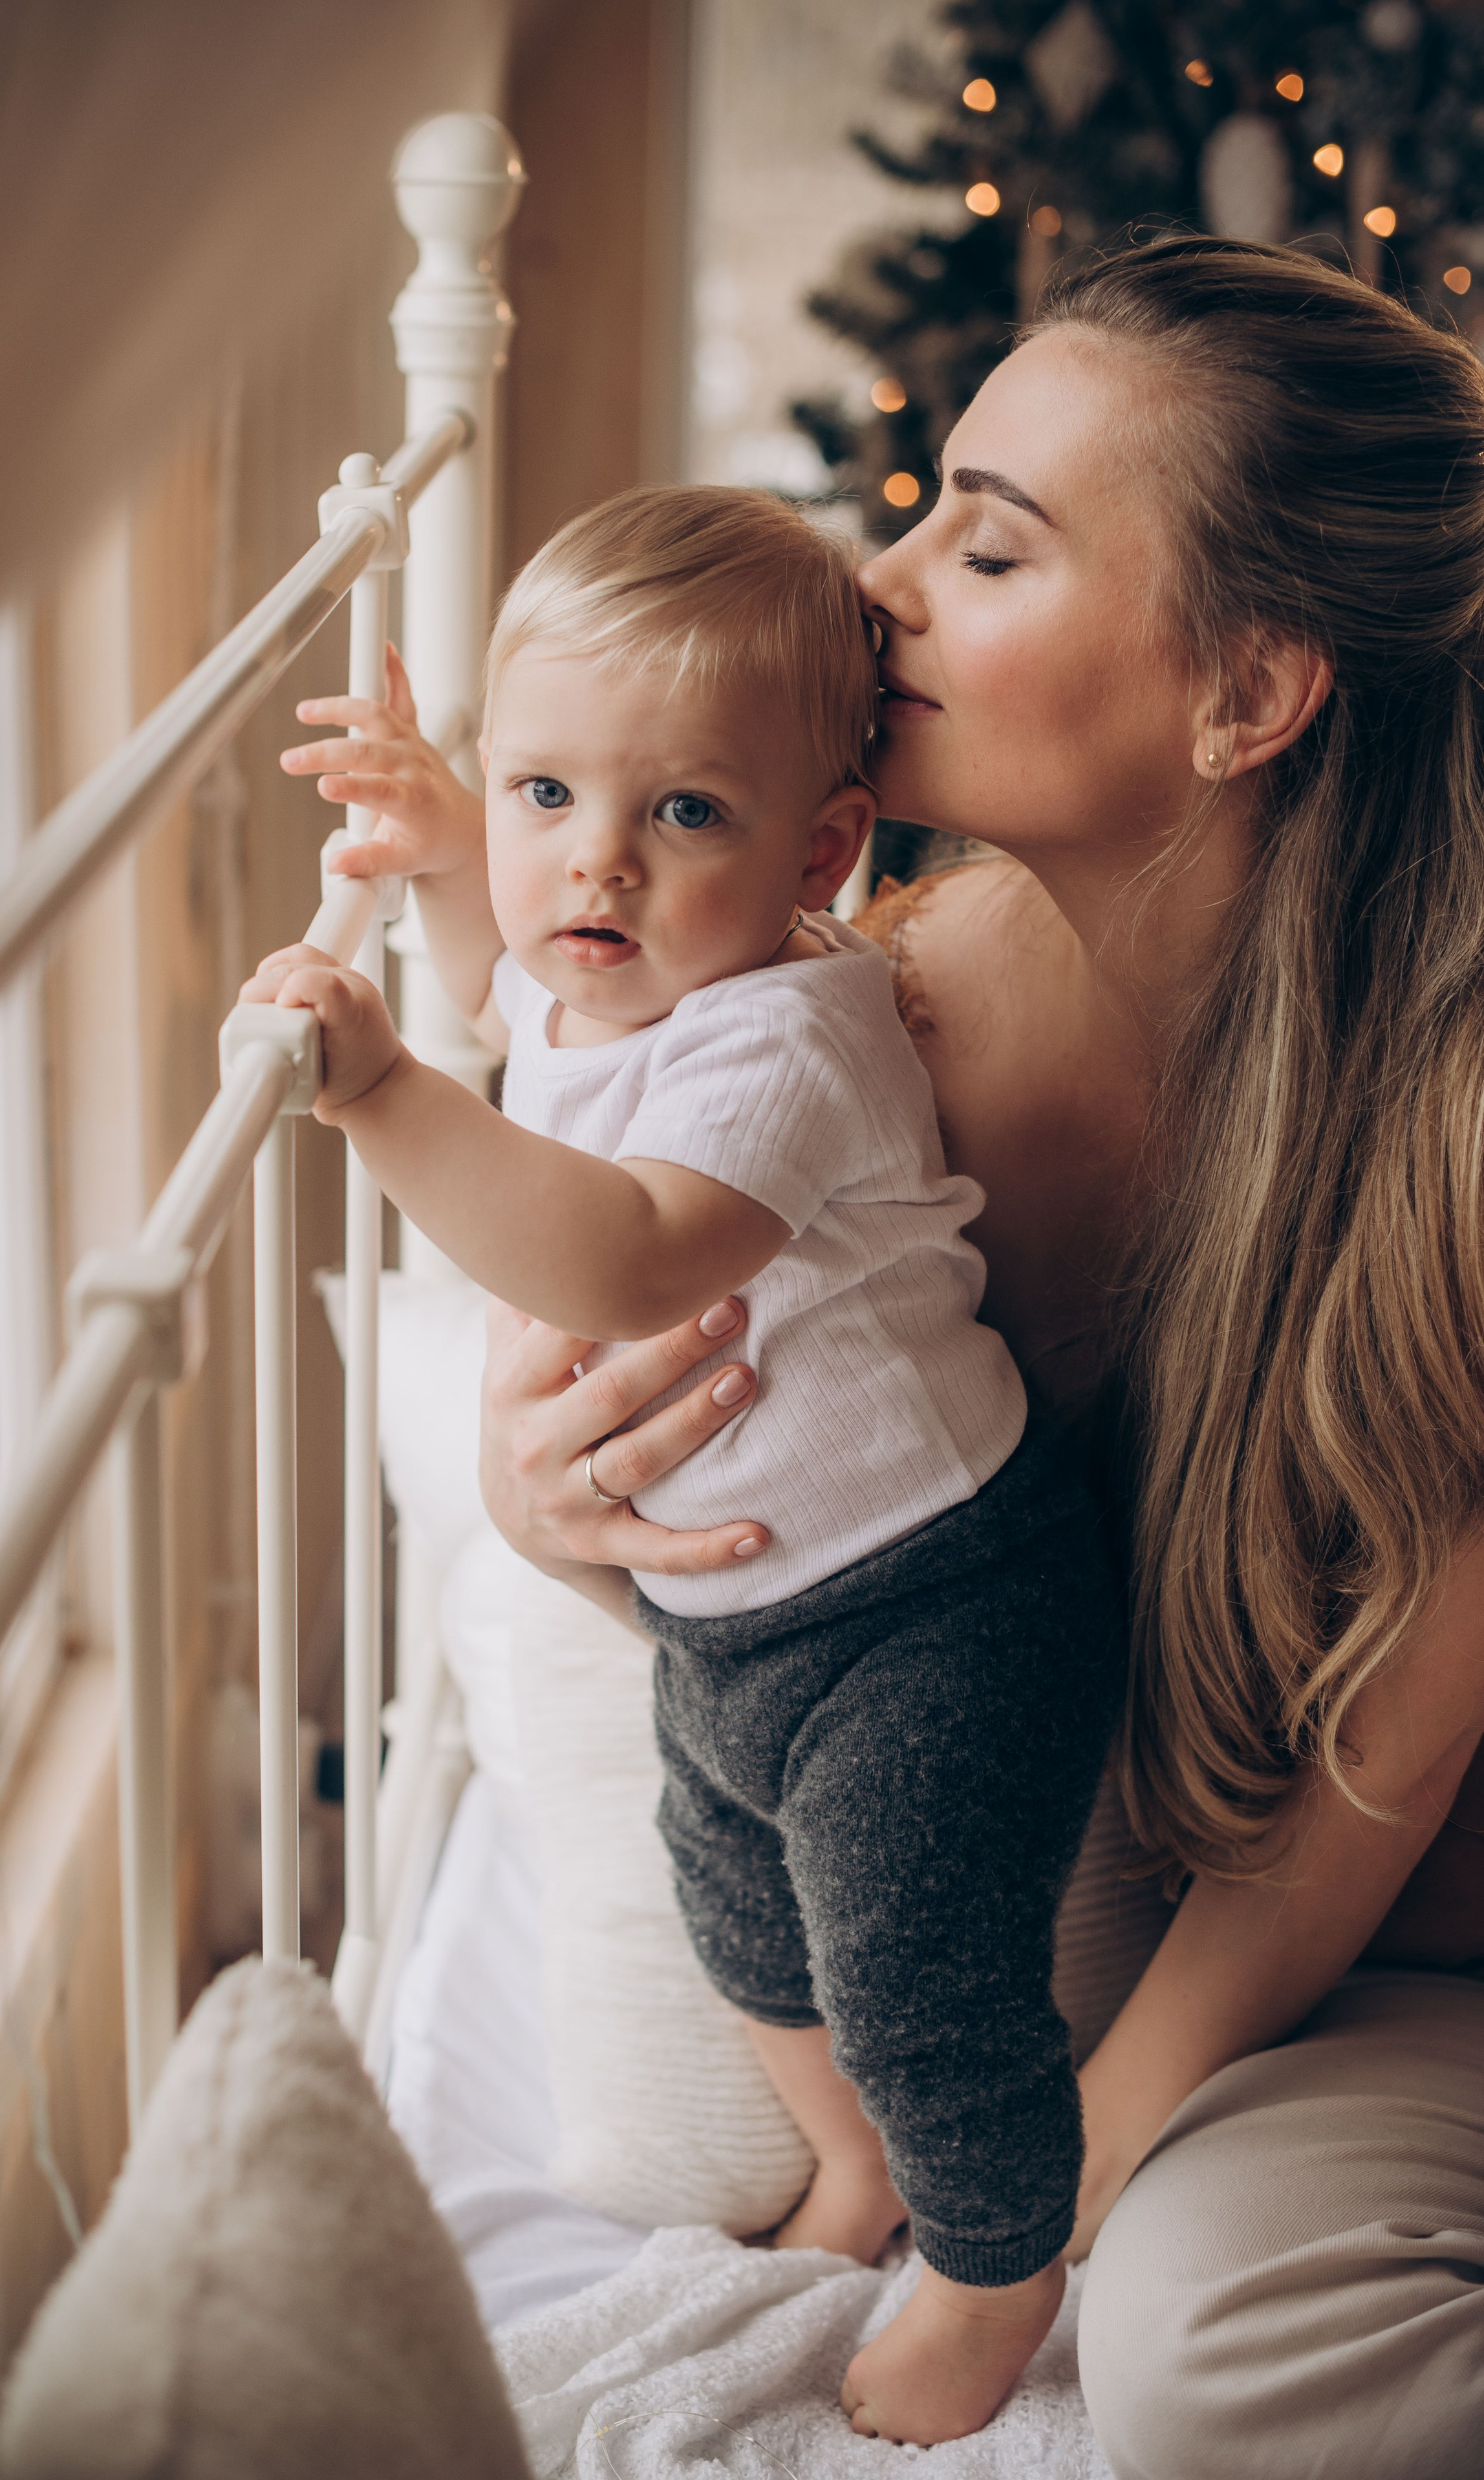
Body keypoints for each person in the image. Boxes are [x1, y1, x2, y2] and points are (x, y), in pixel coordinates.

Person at [459, 237, 1484, 2477]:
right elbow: (811, 1524)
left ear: (1250, 697)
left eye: (988, 542)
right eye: (924, 505)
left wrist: (1037, 2201)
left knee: (1208, 2340)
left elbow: (1353, 1809)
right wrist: (555, 1509)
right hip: (1304, 1989)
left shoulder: (1452, 1139)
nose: (884, 581)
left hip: (1407, 1935)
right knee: (1222, 2342)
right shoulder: (863, 1025)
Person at [253, 484, 1128, 2445]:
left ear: (821, 848)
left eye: (686, 816)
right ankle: (860, 2170)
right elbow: (530, 978)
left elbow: (629, 1248)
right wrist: (432, 854)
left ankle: (1000, 2263)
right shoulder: (602, 972)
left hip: (941, 1610)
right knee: (751, 1933)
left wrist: (385, 1091)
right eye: (544, 791)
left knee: (921, 1973)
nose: (601, 871)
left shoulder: (794, 1038)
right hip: (732, 1640)